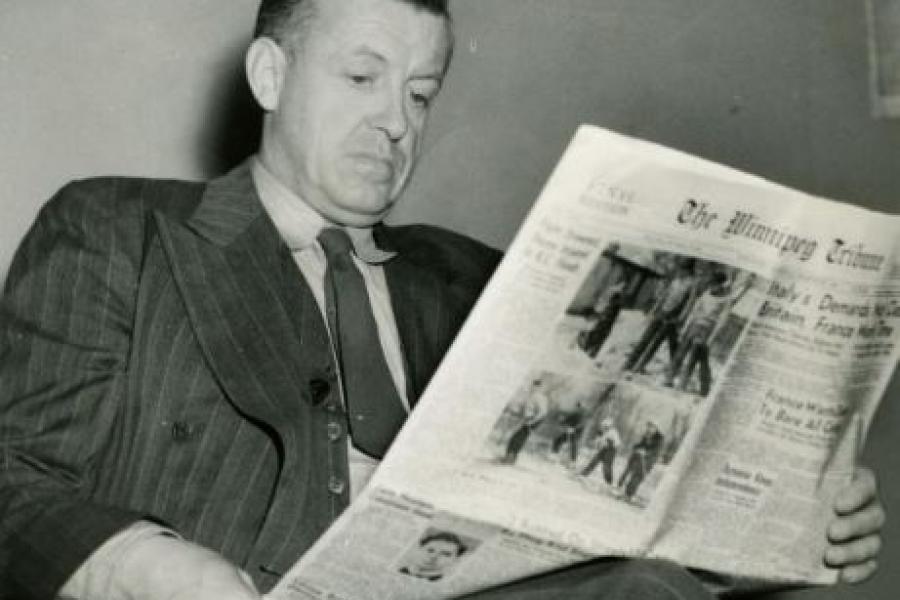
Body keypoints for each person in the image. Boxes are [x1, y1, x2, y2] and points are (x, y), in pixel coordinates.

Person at [0, 1, 885, 598]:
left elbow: (599, 516)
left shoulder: (476, 277)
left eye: (420, 94)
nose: (397, 121)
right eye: (362, 78)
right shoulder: (120, 229)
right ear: (270, 76)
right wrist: (144, 566)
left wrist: (780, 524)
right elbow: (14, 483)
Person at [624, 257, 697, 374]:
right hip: (662, 311)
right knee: (646, 338)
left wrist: (681, 318)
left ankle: (640, 366)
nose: (680, 272)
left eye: (683, 269)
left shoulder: (692, 284)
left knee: (656, 342)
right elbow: (664, 295)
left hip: (673, 316)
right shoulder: (676, 280)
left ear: (688, 271)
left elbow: (689, 303)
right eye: (680, 269)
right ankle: (629, 363)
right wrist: (655, 309)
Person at [501, 379, 550, 465]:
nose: (533, 388)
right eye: (533, 386)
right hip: (527, 419)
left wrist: (532, 422)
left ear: (539, 387)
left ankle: (510, 458)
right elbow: (525, 408)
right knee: (516, 438)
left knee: (517, 439)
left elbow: (542, 412)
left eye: (536, 386)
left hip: (532, 420)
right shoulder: (532, 395)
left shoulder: (539, 397)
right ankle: (510, 457)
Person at [617, 421, 665, 502]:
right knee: (634, 476)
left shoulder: (660, 438)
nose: (649, 429)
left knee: (638, 477)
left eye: (651, 427)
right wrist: (636, 447)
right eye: (648, 426)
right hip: (641, 458)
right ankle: (626, 494)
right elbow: (642, 444)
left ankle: (629, 495)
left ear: (656, 428)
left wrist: (646, 453)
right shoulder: (647, 435)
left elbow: (656, 451)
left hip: (649, 460)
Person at [398, 531, 469, 581]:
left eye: (445, 554)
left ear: (455, 560)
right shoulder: (401, 571)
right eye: (430, 550)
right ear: (420, 549)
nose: (434, 556)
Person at [580, 417, 623, 485]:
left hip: (611, 450)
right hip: (605, 448)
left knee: (606, 466)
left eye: (605, 426)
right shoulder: (603, 431)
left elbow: (616, 443)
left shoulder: (613, 432)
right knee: (595, 460)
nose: (604, 428)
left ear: (609, 426)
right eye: (603, 426)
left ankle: (608, 482)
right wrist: (595, 442)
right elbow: (599, 439)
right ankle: (584, 473)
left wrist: (608, 442)